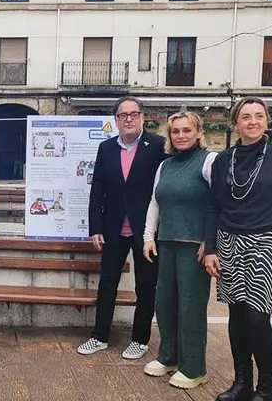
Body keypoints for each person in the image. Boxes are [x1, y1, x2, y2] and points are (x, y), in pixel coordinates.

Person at [204, 97, 272, 401]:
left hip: (270, 240)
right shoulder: (224, 160)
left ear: (267, 121)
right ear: (236, 123)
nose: (253, 122)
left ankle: (266, 388)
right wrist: (210, 248)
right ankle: (241, 384)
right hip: (229, 241)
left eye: (259, 116)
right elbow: (212, 206)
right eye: (246, 116)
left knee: (257, 317)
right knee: (237, 314)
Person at [78, 96, 167, 360]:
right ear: (115, 120)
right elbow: (98, 190)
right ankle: (99, 336)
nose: (128, 119)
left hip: (147, 231)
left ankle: (140, 339)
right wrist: (95, 226)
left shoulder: (158, 146)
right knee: (107, 284)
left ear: (142, 117)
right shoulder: (106, 148)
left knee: (146, 287)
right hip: (113, 228)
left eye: (133, 114)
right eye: (122, 115)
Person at [142, 112, 218, 389]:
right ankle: (169, 356)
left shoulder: (209, 161)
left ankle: (194, 367)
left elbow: (219, 203)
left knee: (190, 306)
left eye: (187, 130)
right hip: (167, 243)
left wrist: (211, 242)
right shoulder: (166, 165)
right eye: (175, 131)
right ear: (170, 135)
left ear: (199, 132)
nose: (181, 135)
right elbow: (155, 202)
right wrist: (148, 236)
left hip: (194, 248)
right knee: (165, 303)